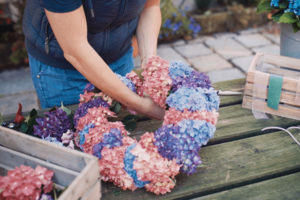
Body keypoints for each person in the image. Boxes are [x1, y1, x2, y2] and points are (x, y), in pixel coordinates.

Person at [22, 0, 165, 120]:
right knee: (72, 138)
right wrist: (141, 105)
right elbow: (75, 50)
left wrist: (150, 65)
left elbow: (150, 7)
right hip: (64, 71)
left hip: (119, 54)